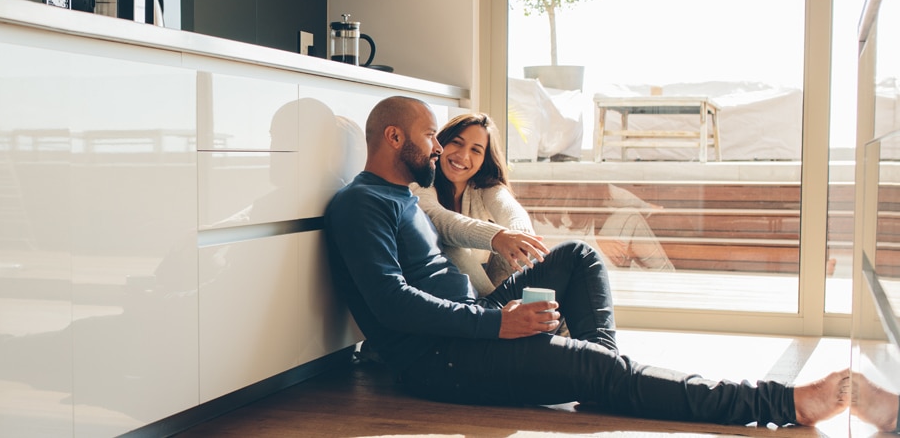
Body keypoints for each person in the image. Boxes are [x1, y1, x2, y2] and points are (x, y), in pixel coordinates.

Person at [323, 95, 849, 427]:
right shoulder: (359, 204)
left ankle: (598, 375)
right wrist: (496, 324)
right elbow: (391, 304)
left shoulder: (407, 198)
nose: (438, 149)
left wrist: (495, 312)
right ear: (395, 138)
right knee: (598, 369)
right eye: (431, 136)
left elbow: (465, 233)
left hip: (471, 327)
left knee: (579, 256)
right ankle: (780, 405)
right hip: (440, 361)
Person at [410, 112, 546, 296]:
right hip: (442, 287)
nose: (463, 155)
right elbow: (438, 218)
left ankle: (533, 310)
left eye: (476, 150)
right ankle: (497, 310)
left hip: (487, 279)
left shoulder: (485, 188)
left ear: (484, 160)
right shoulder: (421, 185)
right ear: (441, 144)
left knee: (579, 253)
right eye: (457, 142)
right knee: (452, 246)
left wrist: (520, 237)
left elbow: (511, 211)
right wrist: (497, 236)